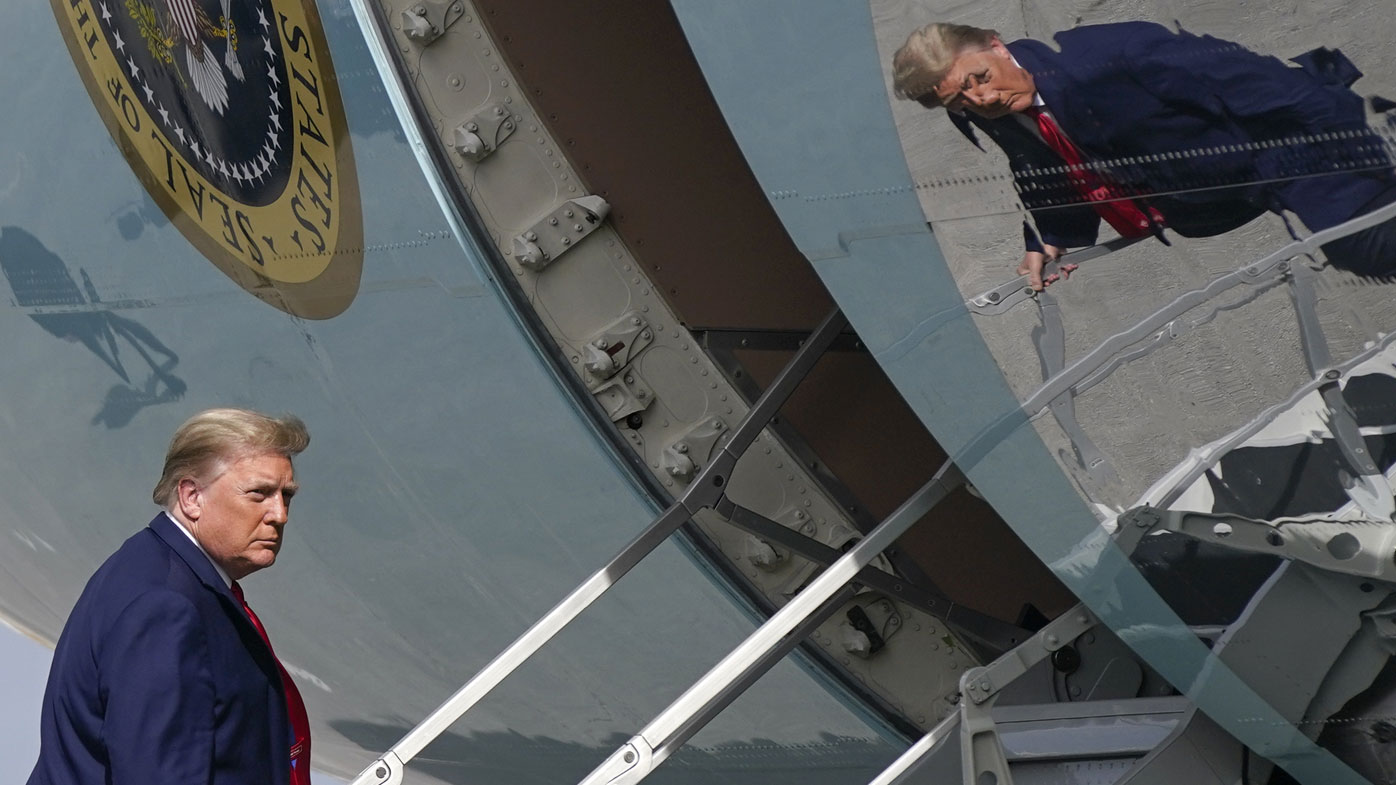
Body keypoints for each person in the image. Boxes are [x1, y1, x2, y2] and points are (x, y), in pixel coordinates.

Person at [892, 21, 1396, 289]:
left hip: (1289, 149)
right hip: (1213, 194)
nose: (980, 100)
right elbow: (1038, 163)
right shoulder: (988, 110)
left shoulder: (1114, 56)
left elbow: (1262, 85)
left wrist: (1363, 146)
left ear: (997, 46)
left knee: (1366, 245)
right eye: (958, 101)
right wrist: (1049, 238)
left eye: (977, 80)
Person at [28, 408, 313, 785]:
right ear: (192, 496)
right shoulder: (165, 607)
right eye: (259, 493)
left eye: (286, 495)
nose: (279, 515)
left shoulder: (161, 573)